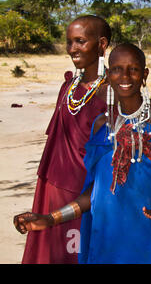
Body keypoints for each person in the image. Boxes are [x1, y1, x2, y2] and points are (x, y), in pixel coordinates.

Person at [13, 43, 151, 264]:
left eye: (133, 69)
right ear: (108, 74)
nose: (125, 76)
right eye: (116, 69)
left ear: (144, 74)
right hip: (106, 241)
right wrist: (50, 218)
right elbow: (95, 193)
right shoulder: (102, 125)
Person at [17, 15, 111, 264]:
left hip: (85, 188)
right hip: (51, 182)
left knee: (77, 251)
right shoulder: (68, 86)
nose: (72, 49)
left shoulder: (113, 90)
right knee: (49, 249)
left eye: (80, 41)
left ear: (102, 43)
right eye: (69, 42)